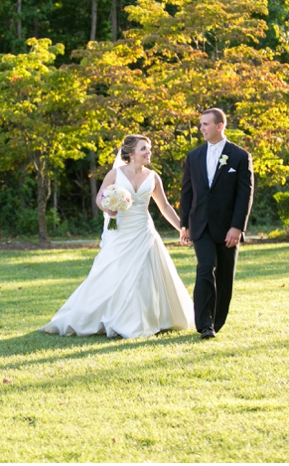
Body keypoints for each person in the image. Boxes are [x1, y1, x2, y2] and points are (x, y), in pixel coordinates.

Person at [41, 134, 195, 338]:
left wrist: (181, 228)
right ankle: (105, 317)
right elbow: (100, 197)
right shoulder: (115, 174)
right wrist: (108, 208)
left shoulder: (153, 177)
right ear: (131, 154)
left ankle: (143, 320)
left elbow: (164, 206)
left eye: (149, 148)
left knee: (143, 276)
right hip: (120, 231)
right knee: (112, 273)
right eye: (144, 149)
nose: (149, 152)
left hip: (143, 231)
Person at [179, 108, 254, 340]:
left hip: (227, 227)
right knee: (205, 268)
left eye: (205, 124)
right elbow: (187, 192)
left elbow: (245, 194)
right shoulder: (194, 156)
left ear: (219, 126)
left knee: (224, 276)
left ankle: (217, 321)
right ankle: (205, 324)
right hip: (200, 225)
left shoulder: (240, 156)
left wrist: (237, 227)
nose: (201, 128)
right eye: (201, 124)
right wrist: (185, 225)